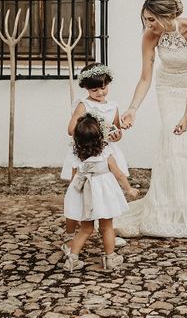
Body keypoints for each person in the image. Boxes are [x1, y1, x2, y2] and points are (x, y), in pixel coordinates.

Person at [113, 0, 187, 238]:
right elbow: (145, 77)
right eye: (146, 20)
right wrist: (132, 108)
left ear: (167, 15)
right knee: (172, 143)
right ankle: (168, 212)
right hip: (166, 89)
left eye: (152, 20)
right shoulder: (150, 36)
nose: (149, 25)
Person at [60, 63, 139, 253]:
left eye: (103, 87)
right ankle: (70, 234)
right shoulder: (84, 104)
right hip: (85, 151)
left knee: (106, 191)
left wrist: (116, 134)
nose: (100, 93)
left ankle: (106, 229)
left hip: (105, 153)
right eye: (94, 89)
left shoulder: (113, 106)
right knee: (77, 193)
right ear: (86, 88)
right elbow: (71, 129)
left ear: (108, 83)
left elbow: (117, 129)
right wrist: (94, 128)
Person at [62, 113, 130, 271]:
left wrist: (73, 197)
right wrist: (129, 189)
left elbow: (74, 179)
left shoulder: (75, 155)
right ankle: (110, 258)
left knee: (85, 229)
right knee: (107, 227)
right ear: (100, 137)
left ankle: (72, 259)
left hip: (86, 197)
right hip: (103, 196)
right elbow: (119, 174)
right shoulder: (105, 154)